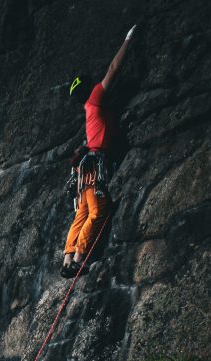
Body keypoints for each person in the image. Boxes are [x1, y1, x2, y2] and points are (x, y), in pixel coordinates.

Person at [61, 24, 137, 279]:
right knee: (98, 211)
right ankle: (78, 259)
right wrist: (127, 40)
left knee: (81, 212)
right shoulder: (95, 99)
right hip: (95, 167)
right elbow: (113, 70)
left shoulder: (88, 110)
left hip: (85, 171)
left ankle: (68, 257)